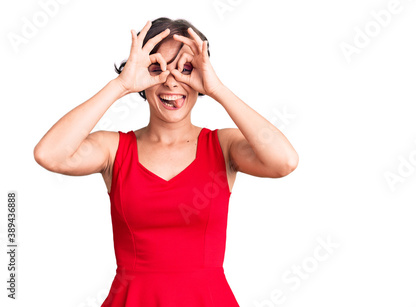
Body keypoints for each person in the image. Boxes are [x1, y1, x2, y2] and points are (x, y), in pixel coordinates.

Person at [33, 17, 298, 306]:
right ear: (142, 77)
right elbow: (50, 154)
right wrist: (121, 85)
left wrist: (219, 89)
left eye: (186, 68)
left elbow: (284, 161)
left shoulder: (223, 146)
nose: (172, 80)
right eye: (157, 68)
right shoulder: (115, 150)